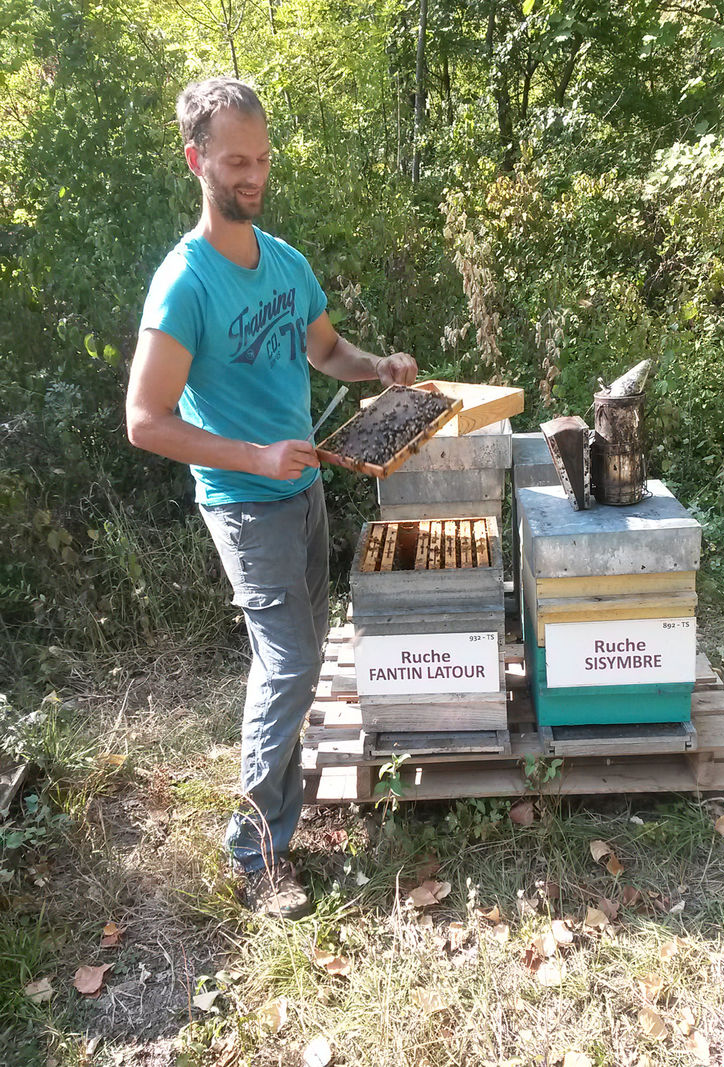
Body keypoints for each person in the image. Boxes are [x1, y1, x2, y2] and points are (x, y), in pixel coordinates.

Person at [126, 77, 417, 917]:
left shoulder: (285, 261)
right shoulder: (184, 283)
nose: (252, 176)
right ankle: (255, 855)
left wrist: (377, 368)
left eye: (261, 159)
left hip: (306, 488)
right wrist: (253, 451)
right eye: (235, 161)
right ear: (198, 160)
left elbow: (326, 348)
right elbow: (145, 420)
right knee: (289, 664)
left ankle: (279, 815)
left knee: (296, 657)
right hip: (244, 503)